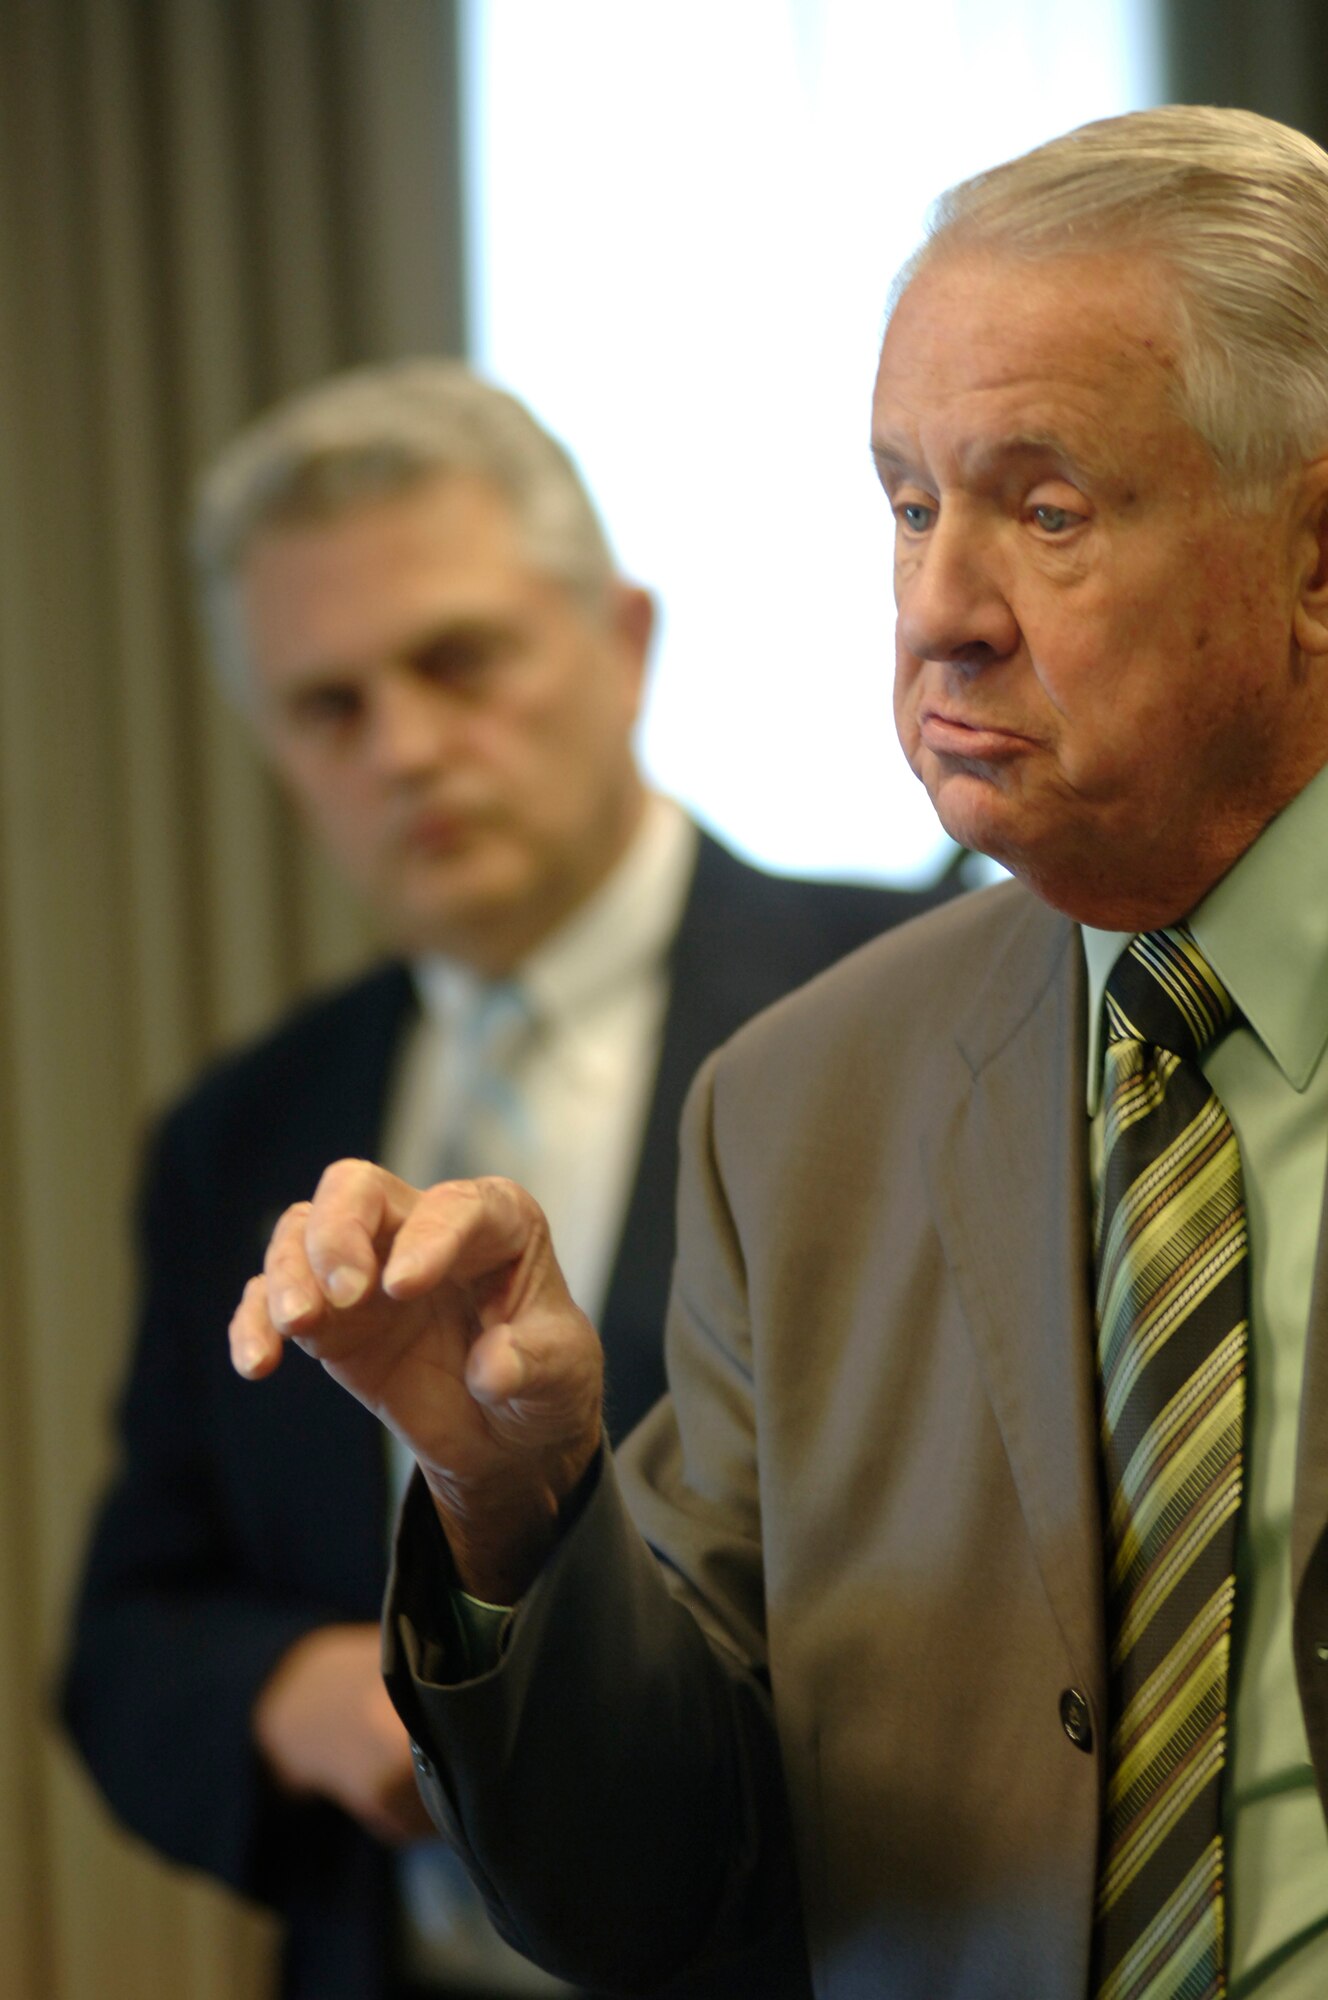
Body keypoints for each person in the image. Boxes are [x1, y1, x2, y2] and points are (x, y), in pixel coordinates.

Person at [225, 105, 1328, 2000]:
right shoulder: (800, 1105)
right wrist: (506, 1499)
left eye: (1045, 510)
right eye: (910, 507)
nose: (938, 614)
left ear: (1316, 556)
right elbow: (655, 1893)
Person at [59, 363, 949, 2000]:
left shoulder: (907, 1013)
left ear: (622, 647)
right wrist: (292, 1693)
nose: (403, 746)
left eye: (454, 662)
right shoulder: (243, 1131)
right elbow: (127, 1638)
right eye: (330, 707)